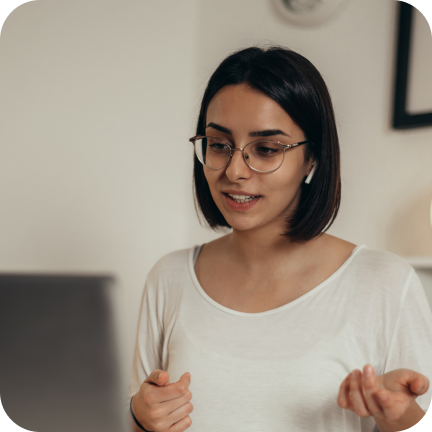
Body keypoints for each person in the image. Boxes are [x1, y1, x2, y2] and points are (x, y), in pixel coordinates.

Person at [128, 45, 432, 432]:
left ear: (313, 158)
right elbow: (137, 420)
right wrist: (140, 416)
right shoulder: (168, 277)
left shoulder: (384, 283)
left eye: (267, 149)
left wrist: (400, 415)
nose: (235, 170)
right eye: (219, 144)